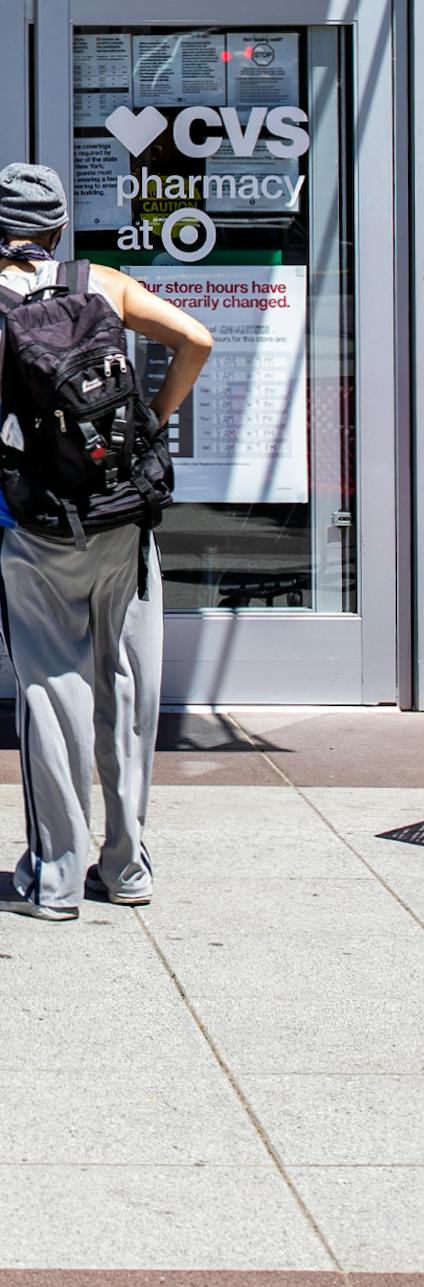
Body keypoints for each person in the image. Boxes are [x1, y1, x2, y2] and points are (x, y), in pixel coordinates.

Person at [0, 163, 212, 921]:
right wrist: (153, 417)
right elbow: (197, 337)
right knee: (126, 687)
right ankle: (125, 867)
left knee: (50, 694)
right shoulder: (102, 283)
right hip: (125, 517)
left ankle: (54, 881)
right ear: (58, 227)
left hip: (39, 528)